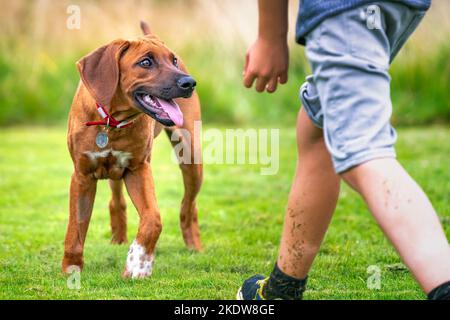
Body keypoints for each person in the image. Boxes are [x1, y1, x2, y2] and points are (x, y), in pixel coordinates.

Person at [237, 0, 450, 300]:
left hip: (345, 8)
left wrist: (270, 36)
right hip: (403, 6)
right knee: (318, 127)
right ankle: (281, 289)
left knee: (361, 149)